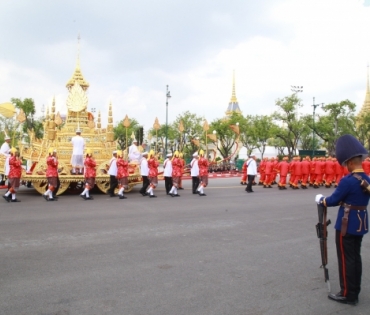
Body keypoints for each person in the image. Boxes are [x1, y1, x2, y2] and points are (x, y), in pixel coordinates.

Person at [315, 134, 369, 305]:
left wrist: (320, 199)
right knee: (355, 258)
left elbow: (332, 201)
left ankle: (348, 294)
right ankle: (354, 290)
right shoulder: (366, 179)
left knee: (346, 260)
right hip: (360, 223)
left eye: (345, 164)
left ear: (351, 162)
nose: (345, 167)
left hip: (346, 225)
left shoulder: (348, 181)